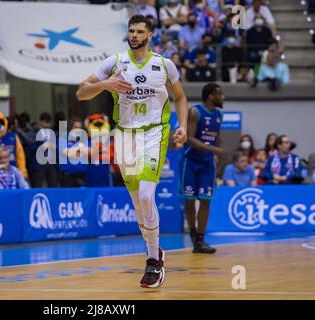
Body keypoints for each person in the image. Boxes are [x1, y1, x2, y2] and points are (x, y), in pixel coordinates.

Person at [76, 15, 188, 288]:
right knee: (138, 202)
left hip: (154, 132)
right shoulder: (114, 63)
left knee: (148, 196)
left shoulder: (164, 65)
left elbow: (180, 97)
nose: (134, 35)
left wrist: (182, 125)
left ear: (150, 35)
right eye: (131, 31)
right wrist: (105, 85)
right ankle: (154, 250)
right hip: (125, 135)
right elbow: (81, 93)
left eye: (139, 31)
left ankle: (153, 260)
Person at [178, 83, 228, 254]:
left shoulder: (219, 115)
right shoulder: (195, 112)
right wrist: (216, 150)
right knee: (190, 199)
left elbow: (217, 138)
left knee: (206, 200)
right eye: (219, 94)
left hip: (208, 164)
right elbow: (190, 139)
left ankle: (200, 239)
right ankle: (193, 233)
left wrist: (219, 161)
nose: (223, 97)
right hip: (190, 161)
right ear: (210, 96)